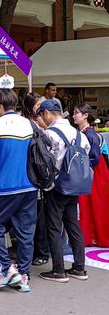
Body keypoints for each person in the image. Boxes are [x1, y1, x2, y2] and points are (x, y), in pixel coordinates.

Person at [0, 89, 38, 293]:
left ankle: (6, 269)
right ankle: (23, 275)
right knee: (25, 231)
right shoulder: (30, 124)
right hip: (30, 185)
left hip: (4, 186)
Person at [36, 99, 91, 283]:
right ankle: (79, 268)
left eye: (42, 115)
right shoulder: (79, 134)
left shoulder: (49, 134)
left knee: (53, 227)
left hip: (56, 187)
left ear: (46, 113)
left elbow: (44, 161)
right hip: (74, 186)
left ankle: (58, 270)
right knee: (73, 225)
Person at [22, 92, 51, 267]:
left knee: (38, 217)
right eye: (37, 104)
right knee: (31, 217)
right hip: (30, 175)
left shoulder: (39, 124)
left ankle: (41, 251)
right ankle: (34, 251)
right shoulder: (29, 124)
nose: (41, 108)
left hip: (36, 176)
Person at [74, 104, 109, 247]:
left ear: (85, 115)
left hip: (95, 173)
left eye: (76, 113)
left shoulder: (89, 134)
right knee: (91, 204)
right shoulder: (85, 132)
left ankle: (94, 236)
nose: (74, 115)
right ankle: (92, 236)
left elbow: (94, 156)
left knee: (95, 204)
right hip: (94, 172)